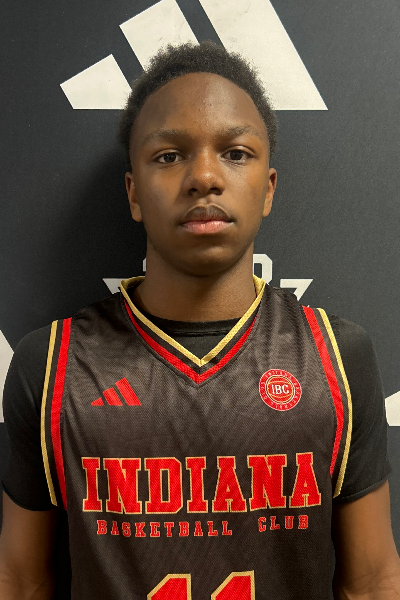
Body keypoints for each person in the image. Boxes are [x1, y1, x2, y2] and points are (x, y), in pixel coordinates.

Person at [0, 39, 399, 600]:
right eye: (169, 156)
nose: (204, 177)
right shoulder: (52, 367)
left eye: (235, 153)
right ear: (134, 194)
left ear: (268, 189)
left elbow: (373, 580)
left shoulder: (337, 357)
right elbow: (21, 579)